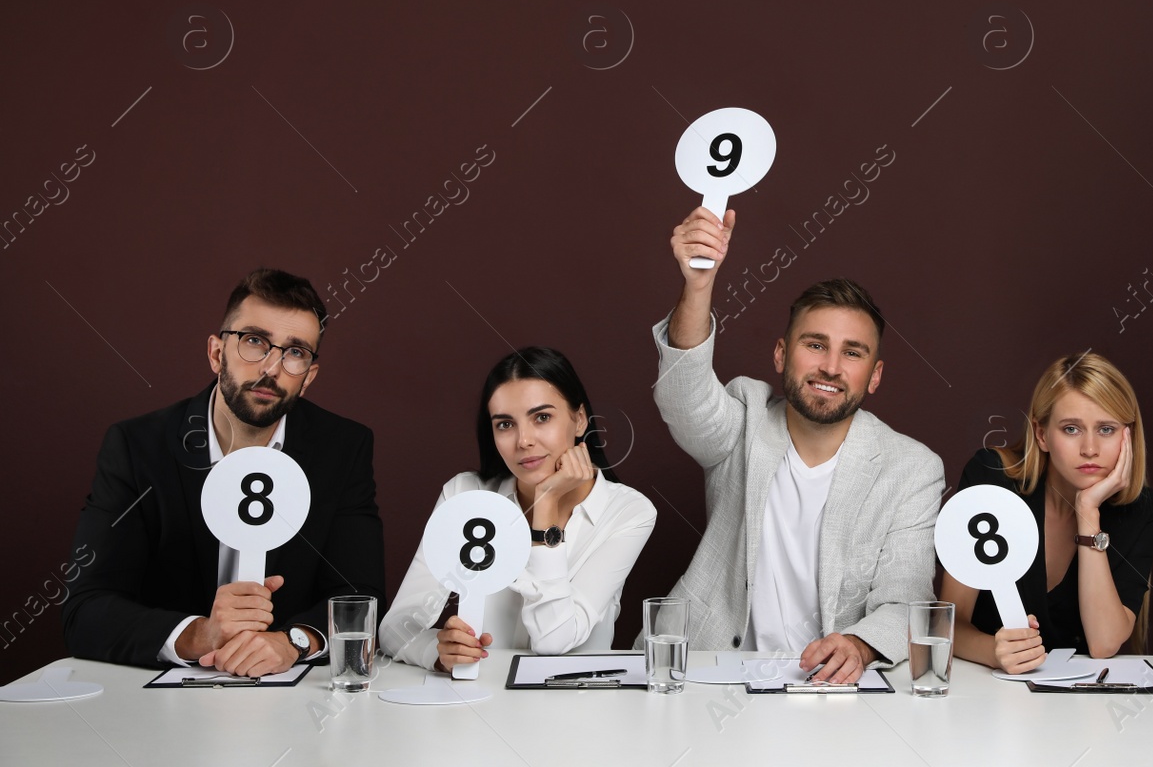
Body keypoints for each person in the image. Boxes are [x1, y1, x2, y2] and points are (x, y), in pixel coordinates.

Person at [642, 207, 944, 683]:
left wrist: (861, 645)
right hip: (704, 668)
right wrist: (699, 286)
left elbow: (906, 596)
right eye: (816, 345)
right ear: (782, 353)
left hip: (828, 687)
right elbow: (685, 397)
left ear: (875, 375)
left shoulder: (911, 468)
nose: (831, 367)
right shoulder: (744, 418)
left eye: (853, 352)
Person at [63, 269, 384, 675]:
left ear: (308, 379)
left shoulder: (343, 448)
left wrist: (293, 642)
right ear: (217, 353)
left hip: (289, 698)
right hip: (157, 705)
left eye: (295, 352)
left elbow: (360, 594)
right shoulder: (136, 447)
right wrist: (199, 635)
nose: (272, 367)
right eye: (254, 341)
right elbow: (85, 609)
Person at [380, 348, 656, 669]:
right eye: (505, 424)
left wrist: (546, 505)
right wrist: (437, 652)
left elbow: (554, 640)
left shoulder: (629, 511)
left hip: (575, 705)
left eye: (542, 417)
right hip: (481, 698)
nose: (523, 440)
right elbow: (394, 626)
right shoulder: (465, 493)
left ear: (579, 420)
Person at [944, 353, 1153, 671]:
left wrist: (1087, 511)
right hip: (987, 691)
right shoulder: (990, 479)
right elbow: (949, 622)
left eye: (1106, 430)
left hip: (1079, 703)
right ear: (1042, 434)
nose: (1090, 449)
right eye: (1072, 429)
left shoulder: (1141, 511)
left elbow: (1103, 644)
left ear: (1128, 436)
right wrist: (994, 651)